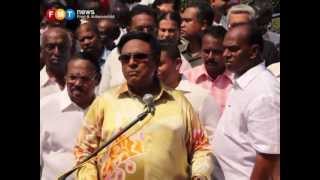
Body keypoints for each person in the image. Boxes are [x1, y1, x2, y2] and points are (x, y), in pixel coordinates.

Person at [74, 31, 214, 180]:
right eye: (125, 58)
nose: (132, 63)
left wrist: (200, 174)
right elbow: (84, 152)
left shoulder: (179, 102)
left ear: (155, 61)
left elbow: (201, 147)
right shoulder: (104, 102)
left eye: (140, 57)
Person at [214, 23, 280, 180]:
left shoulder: (264, 92)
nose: (225, 54)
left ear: (254, 51)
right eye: (224, 48)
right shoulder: (242, 80)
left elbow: (268, 156)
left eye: (233, 49)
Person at [40, 53, 101, 180]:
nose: (77, 83)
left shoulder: (106, 109)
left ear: (97, 80)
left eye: (84, 79)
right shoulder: (44, 108)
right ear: (65, 77)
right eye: (72, 77)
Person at [158, 40, 221, 143]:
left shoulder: (201, 98)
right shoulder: (145, 96)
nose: (153, 69)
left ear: (177, 64)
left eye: (159, 64)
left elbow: (214, 141)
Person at [98, 5, 158, 94]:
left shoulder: (166, 54)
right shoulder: (115, 55)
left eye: (150, 29)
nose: (146, 33)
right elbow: (103, 93)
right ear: (129, 30)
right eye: (140, 29)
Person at [184, 26, 233, 113]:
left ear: (226, 52)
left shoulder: (236, 82)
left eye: (217, 52)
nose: (210, 57)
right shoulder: (187, 78)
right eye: (206, 51)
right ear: (200, 51)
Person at [180, 1, 215, 67]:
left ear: (204, 25)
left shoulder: (213, 56)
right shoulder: (177, 52)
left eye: (187, 21)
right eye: (182, 21)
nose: (182, 25)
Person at [40, 27, 72, 99]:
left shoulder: (83, 81)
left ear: (70, 50)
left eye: (62, 47)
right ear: (42, 51)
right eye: (50, 47)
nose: (56, 52)